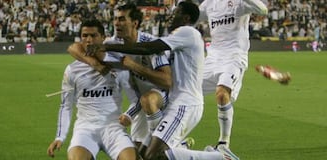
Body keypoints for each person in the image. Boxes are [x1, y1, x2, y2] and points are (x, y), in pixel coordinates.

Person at [84, 2, 238, 160]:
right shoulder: (178, 36)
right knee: (145, 155)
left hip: (186, 103)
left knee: (155, 156)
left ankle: (219, 157)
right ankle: (182, 147)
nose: (170, 16)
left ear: (186, 18)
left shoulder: (188, 32)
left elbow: (149, 48)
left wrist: (109, 48)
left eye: (175, 13)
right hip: (175, 102)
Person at [46, 19, 139, 160]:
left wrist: (129, 115)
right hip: (85, 128)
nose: (89, 40)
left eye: (93, 36)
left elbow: (136, 99)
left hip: (113, 127)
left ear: (103, 38)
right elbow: (66, 105)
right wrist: (60, 136)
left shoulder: (117, 66)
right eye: (85, 36)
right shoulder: (72, 70)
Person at [198, 0, 270, 150]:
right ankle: (178, 139)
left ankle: (224, 143)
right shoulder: (209, 3)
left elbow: (263, 10)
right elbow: (193, 17)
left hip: (234, 56)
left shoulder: (241, 3)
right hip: (212, 57)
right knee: (188, 90)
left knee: (222, 94)